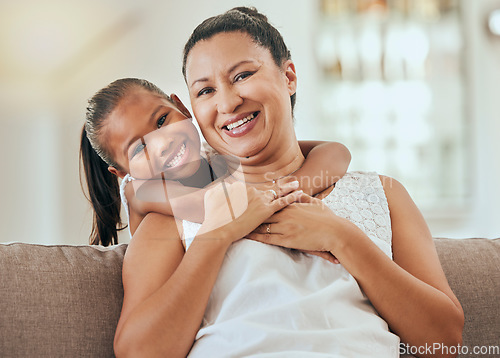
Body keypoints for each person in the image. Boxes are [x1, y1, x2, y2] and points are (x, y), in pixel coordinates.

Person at [111, 7, 464, 358]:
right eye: (205, 92)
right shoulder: (172, 216)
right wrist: (216, 234)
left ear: (289, 76)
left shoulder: (382, 195)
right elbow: (138, 352)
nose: (228, 102)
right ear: (192, 109)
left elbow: (445, 342)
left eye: (242, 75)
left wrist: (341, 237)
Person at [80, 78, 351, 247]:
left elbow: (336, 153)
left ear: (183, 108)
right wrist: (275, 200)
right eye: (140, 148)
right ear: (122, 173)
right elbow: (213, 206)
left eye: (162, 121)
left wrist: (291, 188)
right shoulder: (140, 190)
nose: (162, 143)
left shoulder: (216, 154)